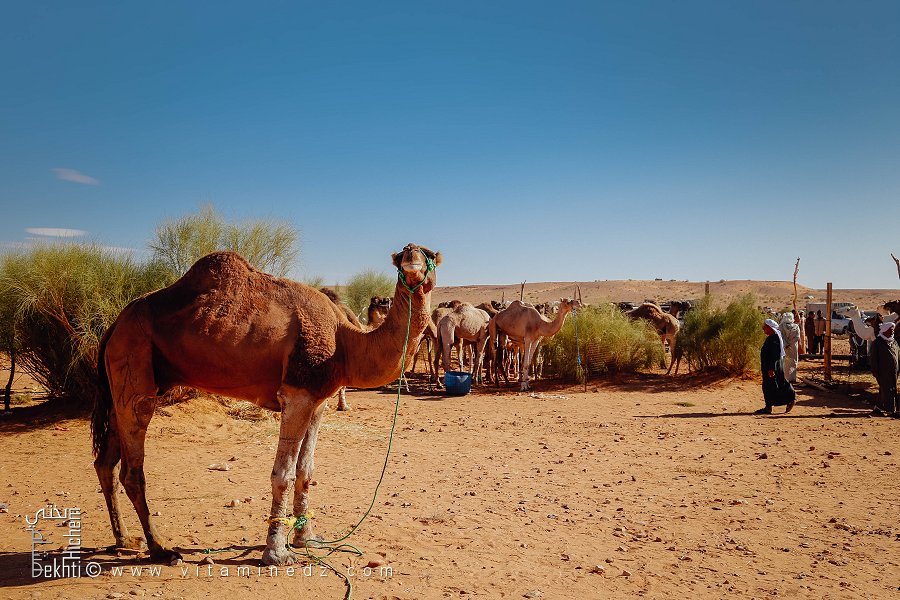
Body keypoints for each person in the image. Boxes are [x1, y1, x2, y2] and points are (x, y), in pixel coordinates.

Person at [756, 318, 796, 415]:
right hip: (772, 367)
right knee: (772, 385)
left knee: (774, 385)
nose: (763, 329)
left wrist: (771, 368)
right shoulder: (773, 338)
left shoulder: (773, 339)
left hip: (772, 367)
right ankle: (769, 406)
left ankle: (790, 398)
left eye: (764, 327)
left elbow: (774, 355)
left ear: (770, 328)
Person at [868, 322, 899, 417]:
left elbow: (898, 355)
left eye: (893, 330)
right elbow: (873, 358)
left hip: (894, 371)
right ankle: (891, 411)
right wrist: (874, 370)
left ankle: (878, 408)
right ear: (885, 331)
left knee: (885, 389)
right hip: (882, 371)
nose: (892, 331)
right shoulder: (877, 343)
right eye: (890, 330)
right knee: (888, 389)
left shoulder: (894, 342)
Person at [779, 312, 801, 383]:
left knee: (784, 362)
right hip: (793, 347)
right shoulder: (796, 326)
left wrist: (786, 344)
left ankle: (785, 378)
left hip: (784, 346)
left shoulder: (781, 326)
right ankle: (792, 378)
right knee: (793, 361)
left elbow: (780, 336)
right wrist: (790, 344)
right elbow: (797, 337)